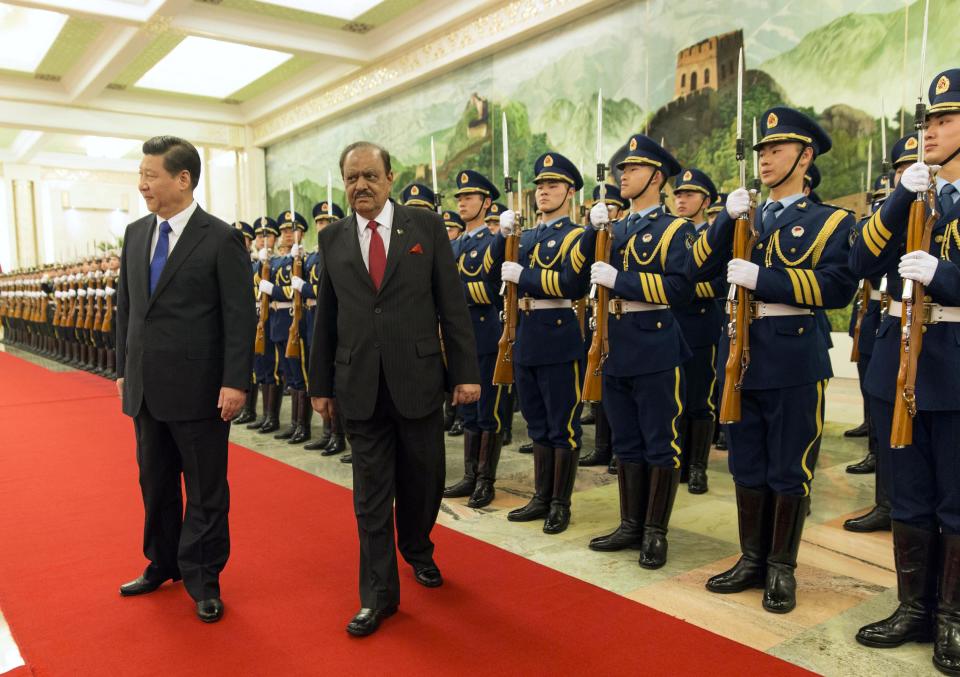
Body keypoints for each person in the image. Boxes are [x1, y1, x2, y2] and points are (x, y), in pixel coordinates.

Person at [308, 141, 480, 637]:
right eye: (351, 178)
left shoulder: (423, 227)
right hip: (358, 383)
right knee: (370, 496)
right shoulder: (334, 238)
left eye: (369, 176)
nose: (360, 185)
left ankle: (418, 548)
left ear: (390, 177)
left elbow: (452, 304)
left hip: (419, 380)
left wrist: (465, 372)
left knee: (423, 483)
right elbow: (328, 317)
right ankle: (378, 595)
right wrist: (320, 384)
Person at [690, 107, 858, 613]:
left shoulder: (831, 221)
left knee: (789, 466)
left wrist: (764, 281)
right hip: (740, 354)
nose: (765, 159)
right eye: (761, 151)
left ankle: (782, 568)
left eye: (777, 150)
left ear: (806, 157)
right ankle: (751, 559)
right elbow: (692, 264)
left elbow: (836, 287)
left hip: (793, 356)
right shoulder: (747, 218)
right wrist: (725, 217)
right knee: (746, 463)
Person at [115, 135, 254, 623]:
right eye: (141, 174)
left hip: (200, 392)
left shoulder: (220, 238)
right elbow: (127, 311)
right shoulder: (135, 235)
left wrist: (235, 381)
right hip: (147, 388)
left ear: (183, 179)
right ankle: (163, 562)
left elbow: (241, 317)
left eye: (150, 175)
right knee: (154, 482)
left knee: (205, 489)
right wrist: (122, 370)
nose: (142, 185)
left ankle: (204, 578)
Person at [851, 70, 960, 675]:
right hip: (901, 364)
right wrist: (898, 199)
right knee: (910, 497)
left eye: (945, 121)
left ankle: (952, 618)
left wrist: (942, 276)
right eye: (927, 123)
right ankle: (912, 609)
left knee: (955, 500)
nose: (932, 133)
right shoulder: (915, 198)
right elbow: (859, 260)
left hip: (955, 361)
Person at [574, 135, 694, 568]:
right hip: (614, 343)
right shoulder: (615, 229)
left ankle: (655, 531)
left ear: (657, 177)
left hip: (655, 343)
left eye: (634, 168)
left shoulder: (674, 229)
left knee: (660, 442)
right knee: (625, 442)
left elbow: (680, 289)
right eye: (621, 169)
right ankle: (630, 524)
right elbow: (578, 271)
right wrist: (593, 229)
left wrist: (619, 281)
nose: (623, 175)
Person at [485, 151, 591, 534]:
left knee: (563, 425)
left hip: (559, 334)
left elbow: (570, 284)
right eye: (540, 186)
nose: (543, 192)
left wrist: (524, 275)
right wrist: (502, 235)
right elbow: (490, 268)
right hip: (527, 335)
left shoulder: (576, 236)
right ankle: (541, 497)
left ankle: (560, 503)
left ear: (570, 192)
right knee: (537, 424)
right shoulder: (526, 236)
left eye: (553, 186)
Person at [443, 170, 511, 508]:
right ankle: (470, 476)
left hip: (485, 336)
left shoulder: (493, 241)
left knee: (488, 412)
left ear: (487, 203)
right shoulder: (452, 246)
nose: (463, 203)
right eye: (460, 198)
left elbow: (491, 289)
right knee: (468, 411)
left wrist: (456, 294)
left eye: (470, 197)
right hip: (460, 338)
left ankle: (486, 479)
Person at [671, 168, 726, 494]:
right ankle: (677, 460)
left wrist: (685, 290)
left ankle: (697, 466)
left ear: (706, 201)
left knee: (699, 400)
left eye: (689, 194)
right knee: (673, 399)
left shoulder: (716, 237)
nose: (681, 200)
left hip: (702, 324)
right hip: (671, 324)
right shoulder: (669, 233)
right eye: (678, 194)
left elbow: (722, 282)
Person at [578, 183, 628, 474]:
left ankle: (614, 450)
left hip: (622, 320)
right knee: (600, 383)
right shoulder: (597, 234)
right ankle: (601, 445)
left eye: (611, 207)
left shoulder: (621, 234)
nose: (606, 212)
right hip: (598, 314)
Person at [304, 200, 350, 457]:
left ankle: (340, 435)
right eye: (320, 222)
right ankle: (328, 433)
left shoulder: (342, 251)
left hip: (341, 322)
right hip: (314, 319)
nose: (323, 226)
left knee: (340, 381)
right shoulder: (313, 256)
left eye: (328, 221)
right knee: (321, 376)